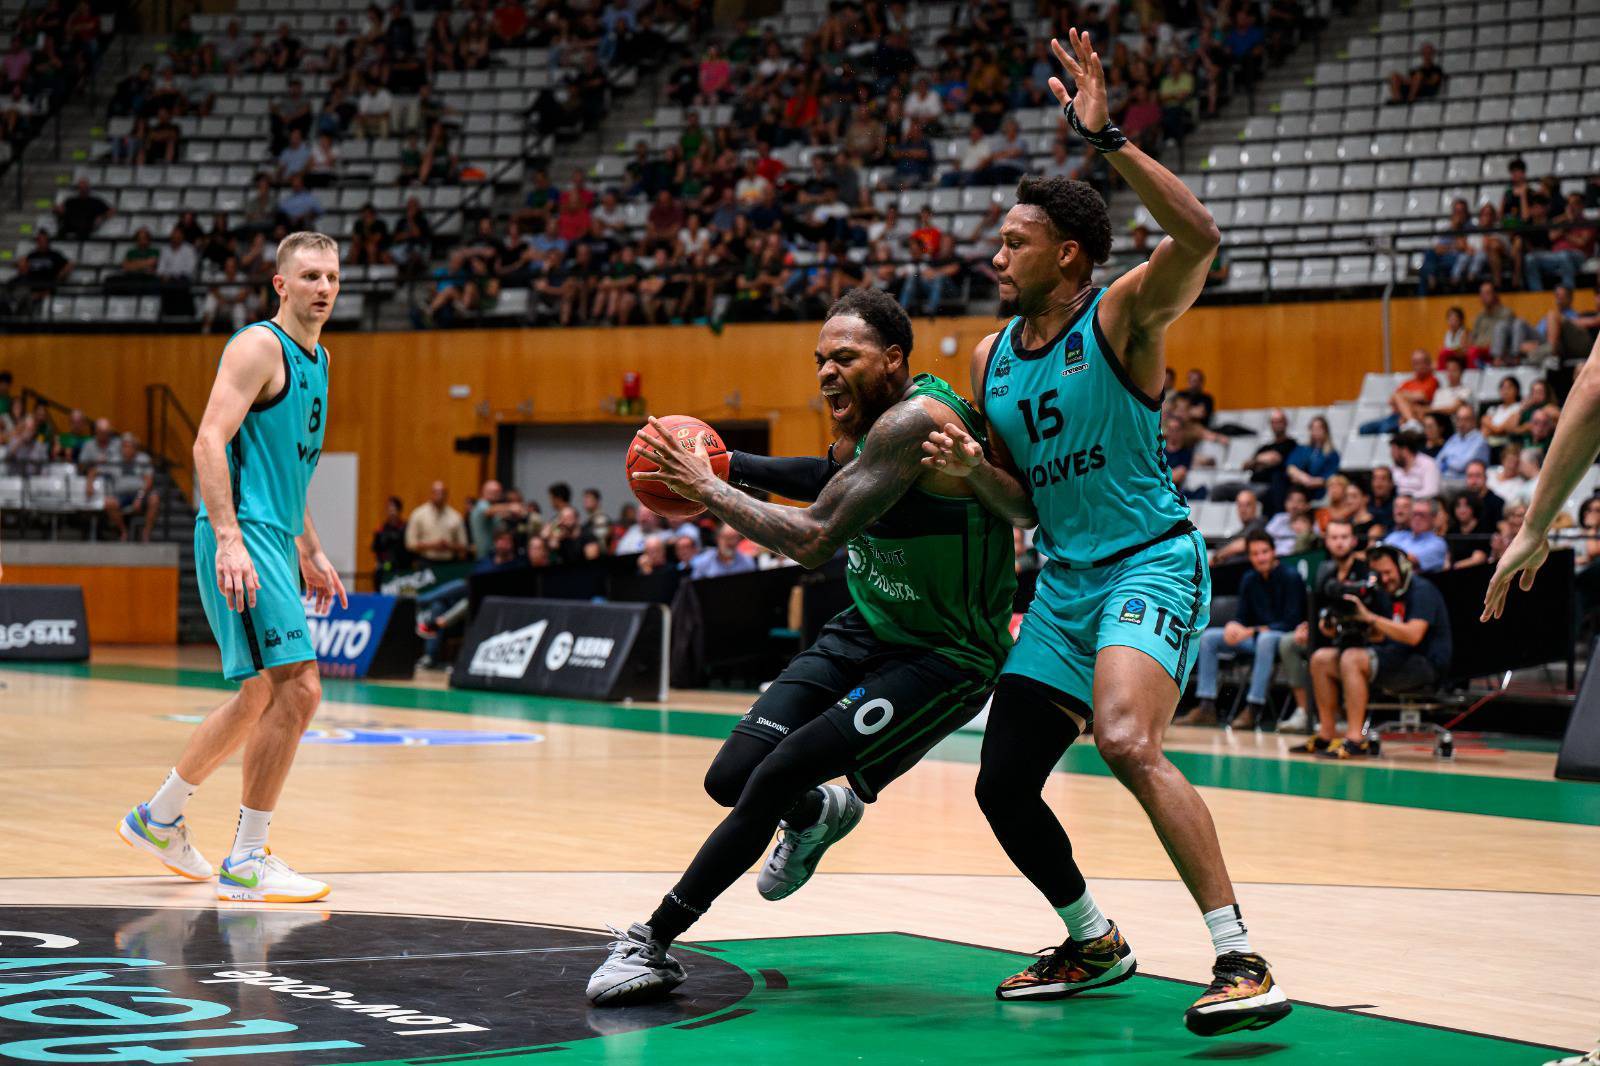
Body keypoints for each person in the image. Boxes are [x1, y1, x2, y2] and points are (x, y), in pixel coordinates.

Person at [918, 31, 1288, 1034]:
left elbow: (1201, 236)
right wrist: (970, 477)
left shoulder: (1122, 314)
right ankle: (1093, 939)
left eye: (1012, 242)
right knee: (1001, 785)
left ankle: (1238, 953)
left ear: (1067, 253)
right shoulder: (994, 356)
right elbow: (1025, 506)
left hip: (1149, 561)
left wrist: (1107, 140)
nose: (994, 255)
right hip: (1065, 582)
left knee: (1127, 740)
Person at [588, 289, 1019, 1006]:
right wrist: (728, 462)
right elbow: (827, 480)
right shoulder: (863, 422)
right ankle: (819, 815)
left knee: (777, 772)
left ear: (892, 360)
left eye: (843, 357)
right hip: (867, 626)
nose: (825, 371)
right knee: (731, 778)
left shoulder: (915, 421)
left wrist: (707, 487)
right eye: (820, 357)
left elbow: (816, 537)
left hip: (945, 655)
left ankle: (655, 942)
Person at [116, 231, 344, 904]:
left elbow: (286, 470)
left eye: (331, 276)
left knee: (260, 698)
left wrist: (309, 547)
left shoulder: (320, 359)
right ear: (281, 284)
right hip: (242, 535)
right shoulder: (257, 346)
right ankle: (247, 857)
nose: (323, 288)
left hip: (276, 535)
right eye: (309, 276)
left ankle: (157, 819)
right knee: (298, 689)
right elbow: (208, 440)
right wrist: (228, 537)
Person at [1307, 545, 1452, 758]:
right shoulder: (1382, 593)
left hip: (1424, 664)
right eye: (1378, 574)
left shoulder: (1422, 590)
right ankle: (1327, 733)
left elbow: (1413, 635)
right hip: (1392, 658)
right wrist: (1338, 624)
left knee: (1352, 659)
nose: (1384, 579)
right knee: (1321, 659)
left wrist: (1370, 618)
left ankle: (1356, 740)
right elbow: (1377, 635)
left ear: (1402, 568)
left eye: (1388, 573)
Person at [1185, 531, 1305, 730]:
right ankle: (1206, 706)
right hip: (1254, 637)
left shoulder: (1291, 576)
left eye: (1264, 552)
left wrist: (1250, 631)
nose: (1261, 557)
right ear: (1250, 557)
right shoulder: (1249, 578)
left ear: (1274, 552)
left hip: (1280, 638)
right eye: (1255, 554)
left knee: (1266, 639)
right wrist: (1234, 624)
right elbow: (1242, 616)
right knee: (1210, 638)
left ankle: (1254, 707)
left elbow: (1291, 622)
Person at [1278, 518, 1365, 733]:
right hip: (1328, 635)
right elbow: (1317, 608)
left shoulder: (1364, 570)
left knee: (1341, 656)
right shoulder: (1325, 570)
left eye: (1344, 537)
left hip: (1359, 637)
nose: (1339, 543)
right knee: (1289, 643)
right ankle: (1304, 711)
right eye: (1334, 538)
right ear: (1326, 542)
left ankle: (1344, 715)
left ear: (1353, 541)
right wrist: (1308, 626)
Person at [406, 480, 468, 562]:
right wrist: (432, 545)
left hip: (449, 563)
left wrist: (448, 546)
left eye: (442, 493)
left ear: (446, 495)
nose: (439, 496)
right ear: (431, 494)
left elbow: (464, 545)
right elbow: (410, 544)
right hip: (425, 562)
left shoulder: (455, 516)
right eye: (436, 493)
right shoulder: (418, 514)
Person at [1383, 496, 1448, 573]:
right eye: (1414, 514)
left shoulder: (1438, 544)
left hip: (1421, 581)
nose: (1417, 518)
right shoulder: (1396, 536)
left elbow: (1411, 562)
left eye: (1422, 515)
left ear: (1433, 518)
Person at [1285, 415, 1339, 496]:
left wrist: (1309, 481)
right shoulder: (1302, 449)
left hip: (1317, 490)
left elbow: (1328, 478)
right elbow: (1290, 468)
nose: (1315, 431)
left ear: (1326, 431)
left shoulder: (1332, 454)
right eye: (1313, 428)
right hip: (1298, 487)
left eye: (1318, 428)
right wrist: (1303, 478)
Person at [1435, 403, 1490, 480]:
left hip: (1465, 482)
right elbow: (1438, 460)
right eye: (1458, 419)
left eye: (1465, 419)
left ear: (1474, 421)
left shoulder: (1480, 441)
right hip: (1446, 479)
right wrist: (1450, 461)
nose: (1461, 423)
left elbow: (1461, 465)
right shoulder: (1454, 437)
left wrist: (1446, 461)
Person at [1213, 488, 1266, 564]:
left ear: (1255, 506)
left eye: (1248, 505)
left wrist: (1218, 556)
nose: (1243, 510)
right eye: (1240, 505)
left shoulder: (1261, 522)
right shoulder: (1239, 531)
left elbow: (1243, 544)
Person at [689, 521, 756, 579]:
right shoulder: (703, 562)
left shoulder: (747, 561)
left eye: (734, 538)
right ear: (718, 538)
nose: (731, 542)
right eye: (727, 538)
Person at [1389, 431, 1440, 501]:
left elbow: (1431, 491)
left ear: (1404, 450)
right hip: (1398, 504)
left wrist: (1408, 498)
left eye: (1394, 451)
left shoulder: (1428, 464)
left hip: (1420, 504)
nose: (1391, 455)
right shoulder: (1395, 467)